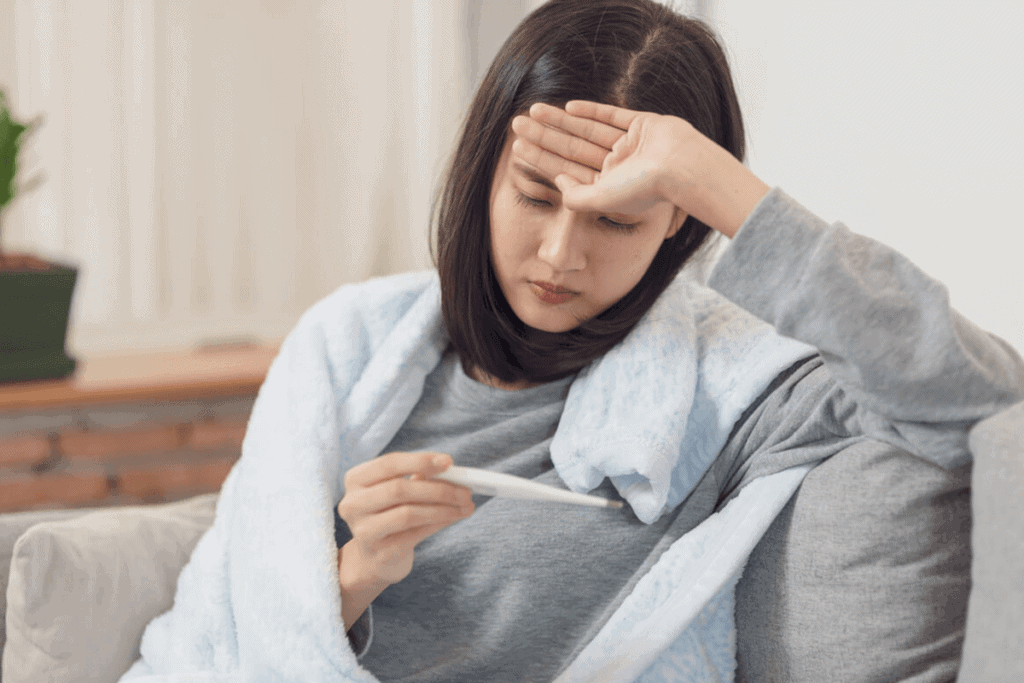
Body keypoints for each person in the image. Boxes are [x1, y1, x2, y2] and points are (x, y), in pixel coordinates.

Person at [121, 1, 1023, 681]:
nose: (561, 255)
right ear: (483, 175)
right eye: (536, 196)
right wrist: (349, 581)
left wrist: (730, 190)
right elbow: (224, 633)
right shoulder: (350, 348)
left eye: (619, 219)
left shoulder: (731, 397)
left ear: (678, 226)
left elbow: (978, 401)